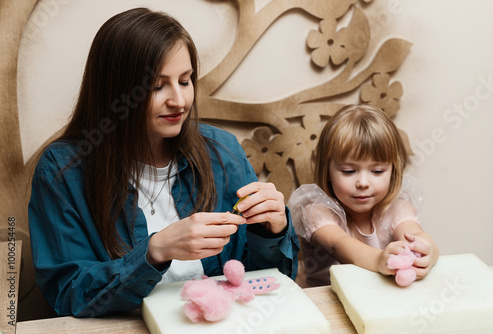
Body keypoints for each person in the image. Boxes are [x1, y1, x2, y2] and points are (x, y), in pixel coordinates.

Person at [28, 7, 299, 317]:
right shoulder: (62, 171)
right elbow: (68, 294)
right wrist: (156, 251)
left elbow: (265, 284)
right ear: (115, 91)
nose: (179, 101)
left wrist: (271, 233)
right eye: (158, 86)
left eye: (185, 81)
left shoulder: (223, 152)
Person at [288, 104, 438, 287]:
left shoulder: (397, 208)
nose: (363, 183)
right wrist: (378, 259)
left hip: (377, 302)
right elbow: (339, 244)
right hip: (327, 305)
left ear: (392, 171)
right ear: (327, 171)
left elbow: (415, 234)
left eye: (377, 171)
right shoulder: (318, 212)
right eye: (349, 171)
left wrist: (429, 251)